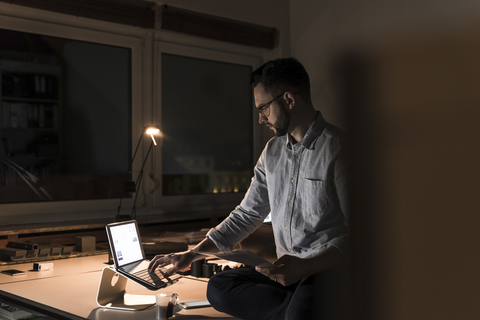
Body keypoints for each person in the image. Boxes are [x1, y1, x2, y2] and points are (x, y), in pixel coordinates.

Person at [148, 57, 349, 320]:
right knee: (220, 286)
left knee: (301, 307)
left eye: (264, 108)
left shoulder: (339, 149)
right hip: (283, 270)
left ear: (289, 99)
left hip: (326, 272)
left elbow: (363, 236)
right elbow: (247, 214)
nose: (260, 119)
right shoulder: (272, 152)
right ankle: (296, 311)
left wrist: (306, 266)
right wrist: (192, 254)